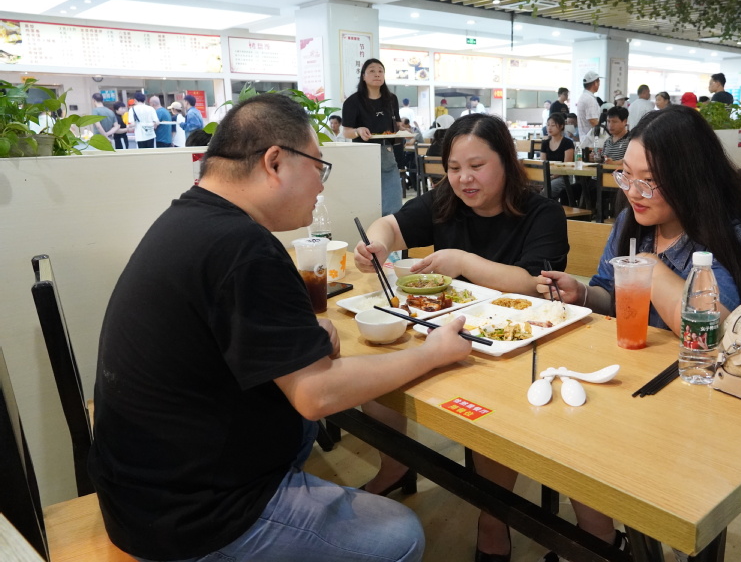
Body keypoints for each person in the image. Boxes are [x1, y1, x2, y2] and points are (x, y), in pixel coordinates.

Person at [88, 93, 473, 562]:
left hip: (141, 492)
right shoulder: (243, 247)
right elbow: (317, 395)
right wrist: (432, 353)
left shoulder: (191, 218)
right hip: (192, 518)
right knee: (400, 536)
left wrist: (303, 345)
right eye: (318, 167)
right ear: (274, 162)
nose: (320, 187)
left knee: (302, 424)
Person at [492, 106, 741, 562]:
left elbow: (713, 335)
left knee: (584, 436)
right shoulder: (634, 221)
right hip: (637, 380)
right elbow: (611, 294)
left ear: (691, 179)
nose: (633, 191)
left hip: (707, 401)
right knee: (563, 423)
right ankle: (603, 542)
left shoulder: (731, 235)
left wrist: (650, 268)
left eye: (649, 181)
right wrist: (582, 294)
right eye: (626, 176)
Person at [352, 113, 568, 503]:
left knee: (491, 407)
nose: (464, 178)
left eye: (477, 166)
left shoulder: (542, 213)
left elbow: (535, 282)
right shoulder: (445, 201)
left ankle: (494, 514)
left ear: (506, 161)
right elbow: (390, 225)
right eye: (454, 168)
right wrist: (378, 244)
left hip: (516, 345)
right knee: (372, 363)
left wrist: (463, 261)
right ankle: (395, 466)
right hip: (443, 335)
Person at [341, 57, 404, 216]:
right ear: (363, 76)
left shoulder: (391, 99)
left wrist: (403, 129)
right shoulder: (353, 101)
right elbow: (346, 131)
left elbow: (396, 124)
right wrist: (358, 131)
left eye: (381, 71)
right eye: (372, 71)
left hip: (387, 152)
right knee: (367, 203)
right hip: (362, 153)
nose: (377, 74)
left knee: (393, 204)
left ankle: (390, 229)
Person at [540, 112, 577, 204]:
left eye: (553, 125)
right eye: (548, 125)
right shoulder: (545, 143)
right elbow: (542, 164)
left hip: (563, 177)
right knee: (530, 188)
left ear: (561, 126)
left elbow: (566, 166)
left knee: (546, 191)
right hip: (547, 175)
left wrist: (552, 177)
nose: (549, 128)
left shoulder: (567, 143)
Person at [576, 71, 601, 149]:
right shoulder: (589, 99)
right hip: (590, 143)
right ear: (595, 83)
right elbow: (593, 120)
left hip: (586, 140)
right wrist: (604, 132)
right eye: (599, 82)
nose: (599, 84)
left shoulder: (584, 97)